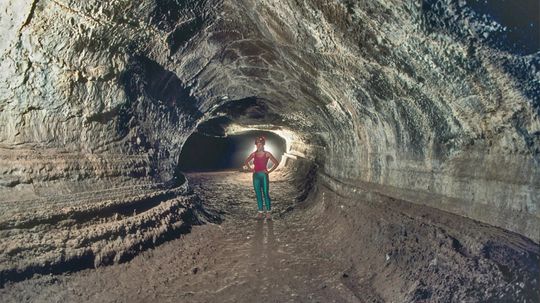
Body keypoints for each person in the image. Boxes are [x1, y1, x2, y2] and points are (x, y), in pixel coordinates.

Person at [243, 136, 279, 220]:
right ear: (256, 145)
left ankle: (269, 212)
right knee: (258, 194)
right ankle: (260, 212)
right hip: (256, 176)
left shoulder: (267, 154)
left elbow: (276, 163)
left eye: (260, 144)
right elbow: (246, 161)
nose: (258, 146)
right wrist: (251, 169)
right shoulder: (254, 154)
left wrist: (269, 171)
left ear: (263, 145)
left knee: (266, 193)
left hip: (264, 175)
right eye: (257, 144)